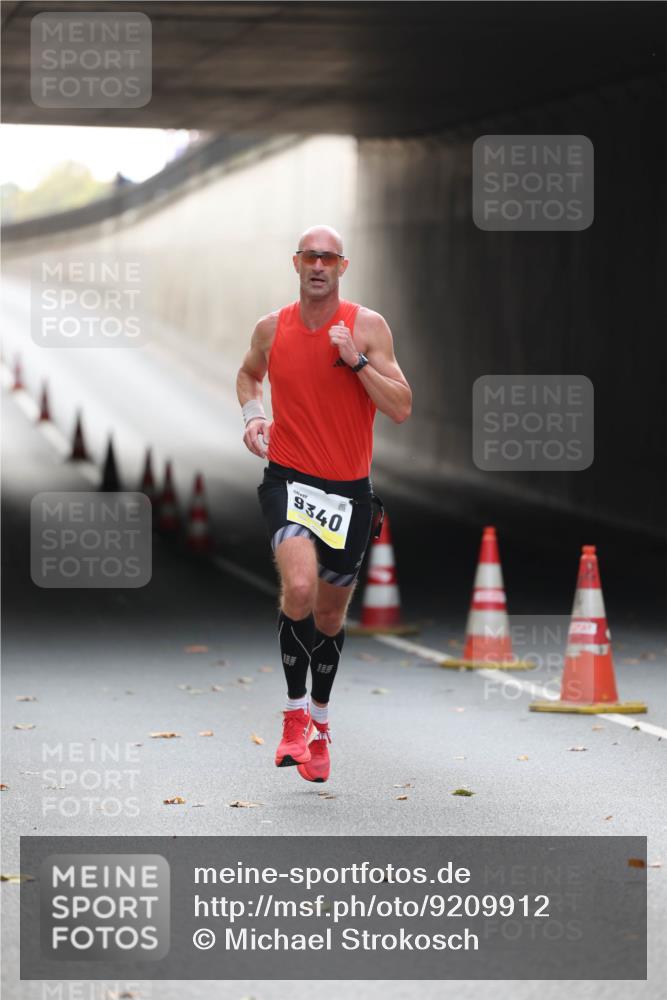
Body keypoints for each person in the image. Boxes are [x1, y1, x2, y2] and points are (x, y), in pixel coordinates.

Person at [236, 225, 412, 783]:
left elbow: (402, 406)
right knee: (302, 587)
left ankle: (320, 725)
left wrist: (357, 362)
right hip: (289, 481)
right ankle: (292, 715)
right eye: (310, 256)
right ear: (296, 263)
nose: (318, 265)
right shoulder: (272, 327)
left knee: (331, 614)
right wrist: (254, 415)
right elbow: (247, 374)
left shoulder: (367, 327)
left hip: (349, 494)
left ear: (342, 267)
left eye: (328, 258)